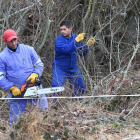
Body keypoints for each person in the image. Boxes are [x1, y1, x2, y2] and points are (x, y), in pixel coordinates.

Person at [0, 29, 48, 124]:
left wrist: (36, 73)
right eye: (11, 41)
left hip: (33, 86)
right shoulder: (2, 57)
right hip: (17, 90)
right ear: (5, 41)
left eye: (15, 40)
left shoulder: (28, 49)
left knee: (43, 112)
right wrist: (11, 87)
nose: (14, 43)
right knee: (15, 119)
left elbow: (39, 64)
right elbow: (0, 76)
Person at [52, 20, 95, 99]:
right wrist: (76, 41)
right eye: (61, 29)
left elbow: (82, 53)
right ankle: (55, 106)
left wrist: (88, 46)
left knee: (80, 87)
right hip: (60, 67)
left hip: (73, 67)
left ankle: (77, 105)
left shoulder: (76, 38)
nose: (62, 31)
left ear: (70, 29)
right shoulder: (59, 40)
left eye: (64, 29)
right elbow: (67, 49)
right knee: (56, 87)